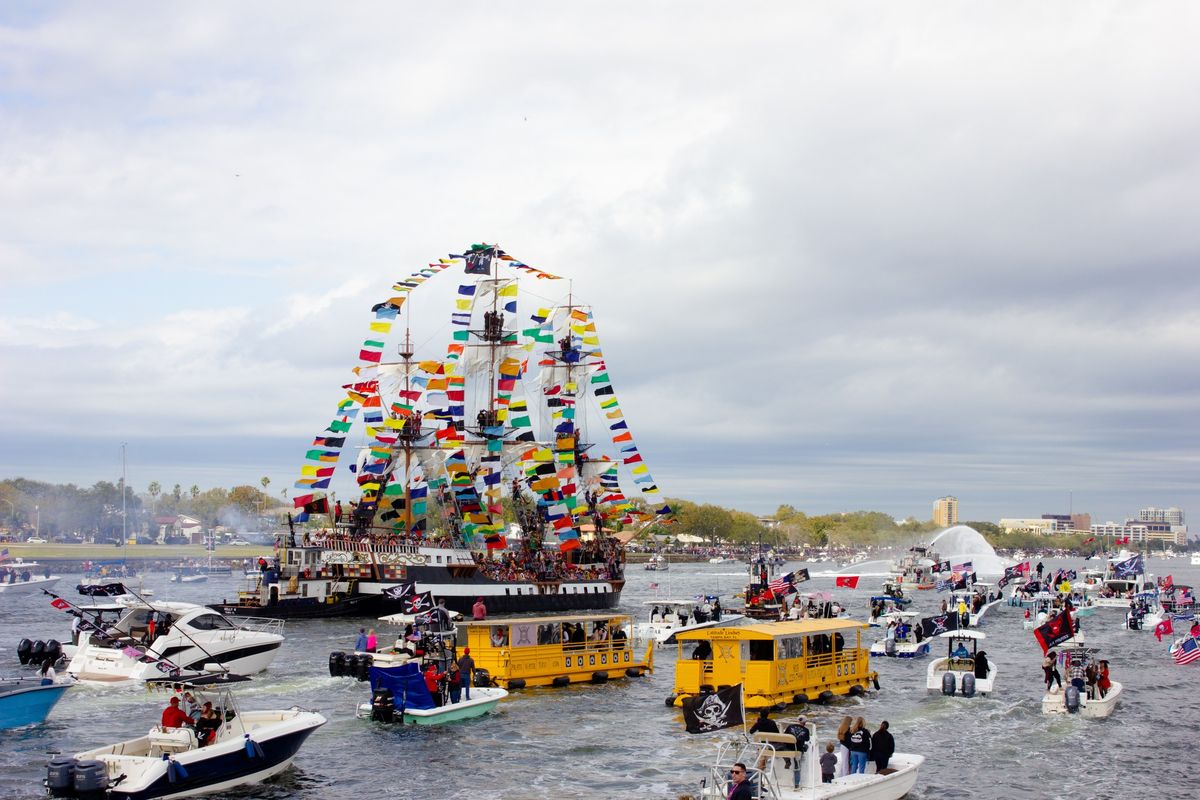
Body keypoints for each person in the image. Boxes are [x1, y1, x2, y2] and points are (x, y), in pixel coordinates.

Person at [782, 715, 810, 780]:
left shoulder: (790, 727)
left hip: (788, 749)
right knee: (797, 765)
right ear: (805, 723)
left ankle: (787, 761)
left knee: (782, 746)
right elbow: (807, 739)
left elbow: (785, 735)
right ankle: (796, 784)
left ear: (797, 721)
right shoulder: (806, 730)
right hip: (798, 750)